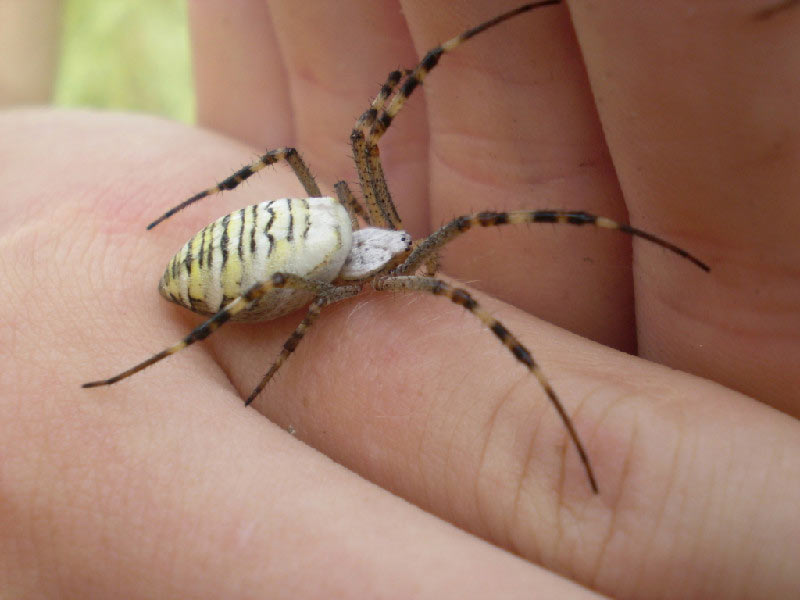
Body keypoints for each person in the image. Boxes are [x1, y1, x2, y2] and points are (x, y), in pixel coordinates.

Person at [1, 2, 797, 597]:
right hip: (259, 266)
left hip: (288, 236)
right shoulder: (360, 275)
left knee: (391, 168)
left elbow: (333, 157)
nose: (405, 244)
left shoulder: (380, 244)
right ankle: (147, 361)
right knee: (352, 255)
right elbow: (313, 297)